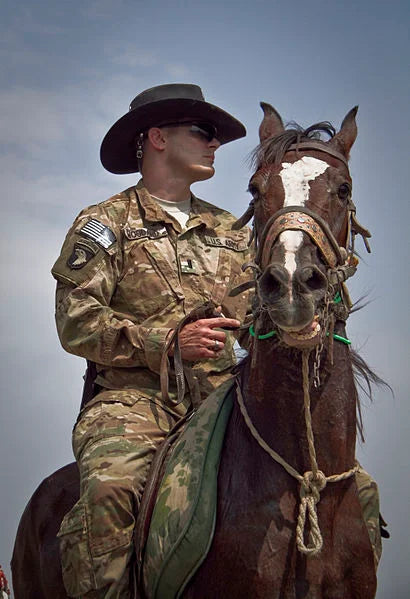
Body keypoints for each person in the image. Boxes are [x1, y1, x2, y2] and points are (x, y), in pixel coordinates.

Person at [52, 83, 252, 598]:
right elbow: (76, 320)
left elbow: (260, 319)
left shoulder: (236, 233)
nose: (215, 144)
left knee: (345, 487)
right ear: (157, 138)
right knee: (108, 492)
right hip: (131, 404)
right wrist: (166, 342)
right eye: (204, 132)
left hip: (225, 405)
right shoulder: (105, 223)